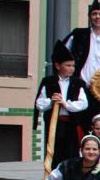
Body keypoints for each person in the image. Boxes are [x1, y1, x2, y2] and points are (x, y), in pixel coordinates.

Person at [34, 41, 89, 169]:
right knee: (54, 152)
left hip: (70, 124)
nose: (71, 68)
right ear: (58, 66)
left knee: (71, 152)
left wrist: (66, 104)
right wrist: (51, 101)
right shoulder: (48, 82)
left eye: (73, 66)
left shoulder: (78, 83)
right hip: (54, 124)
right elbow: (39, 104)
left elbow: (83, 103)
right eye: (68, 65)